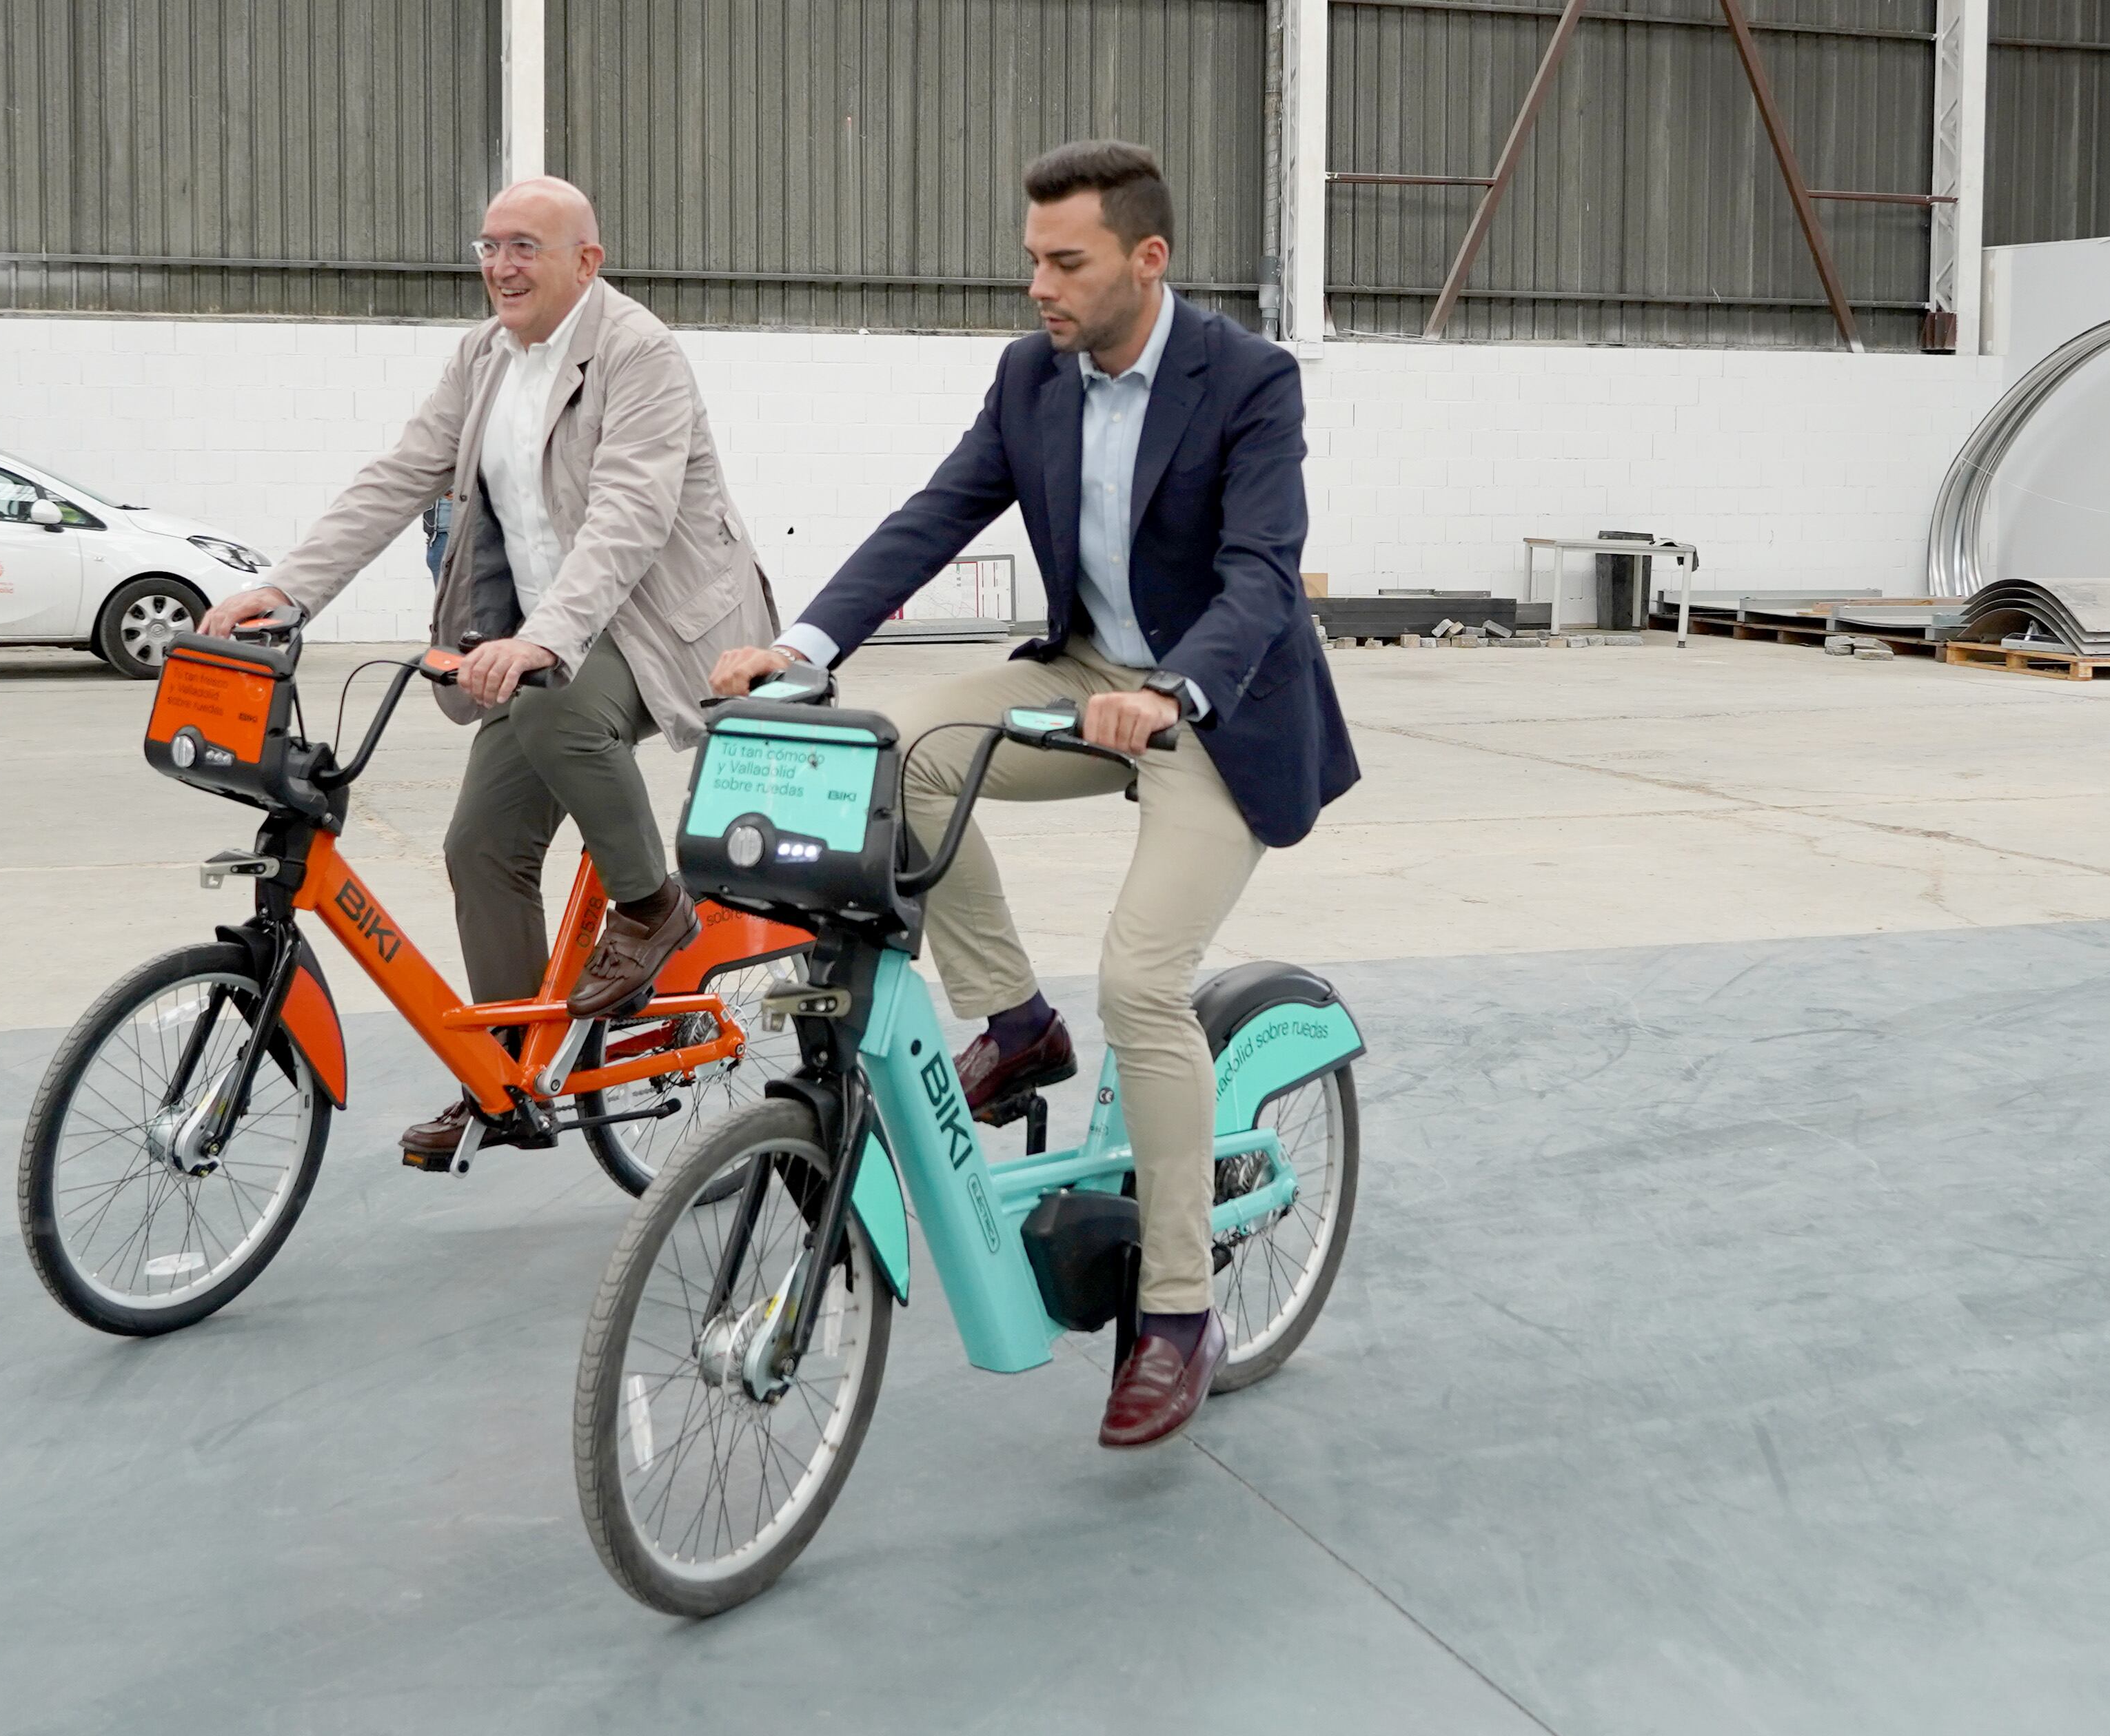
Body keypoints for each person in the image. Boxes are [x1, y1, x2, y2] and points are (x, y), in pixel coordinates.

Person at [709, 140, 1357, 1449]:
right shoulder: (1030, 378)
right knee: (913, 756)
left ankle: (1175, 1310)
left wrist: (1174, 692)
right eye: (1031, 261)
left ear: (1146, 258)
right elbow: (933, 514)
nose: (1039, 287)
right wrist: (807, 648)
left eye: (1066, 262)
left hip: (1210, 718)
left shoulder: (1245, 381)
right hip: (1077, 677)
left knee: (1142, 985)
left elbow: (1259, 575)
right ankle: (1012, 1019)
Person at [206, 176, 778, 1165]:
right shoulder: (481, 357)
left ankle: (652, 908)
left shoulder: (639, 353)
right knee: (480, 845)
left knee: (560, 715)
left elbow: (628, 518)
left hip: (657, 624)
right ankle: (508, 1072)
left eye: (525, 247)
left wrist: (545, 641)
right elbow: (396, 477)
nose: (501, 266)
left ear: (585, 262)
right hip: (543, 629)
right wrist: (287, 589)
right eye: (489, 245)